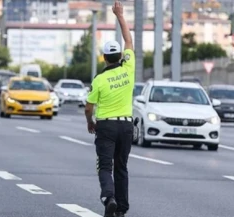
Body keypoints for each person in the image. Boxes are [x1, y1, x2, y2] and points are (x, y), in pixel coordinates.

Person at [84, 1, 134, 217]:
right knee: (121, 168)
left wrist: (90, 122)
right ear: (120, 56)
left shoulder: (100, 79)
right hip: (126, 126)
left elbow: (88, 107)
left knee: (105, 167)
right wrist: (119, 15)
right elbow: (129, 39)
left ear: (104, 58)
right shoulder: (129, 67)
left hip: (106, 127)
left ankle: (109, 197)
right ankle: (121, 210)